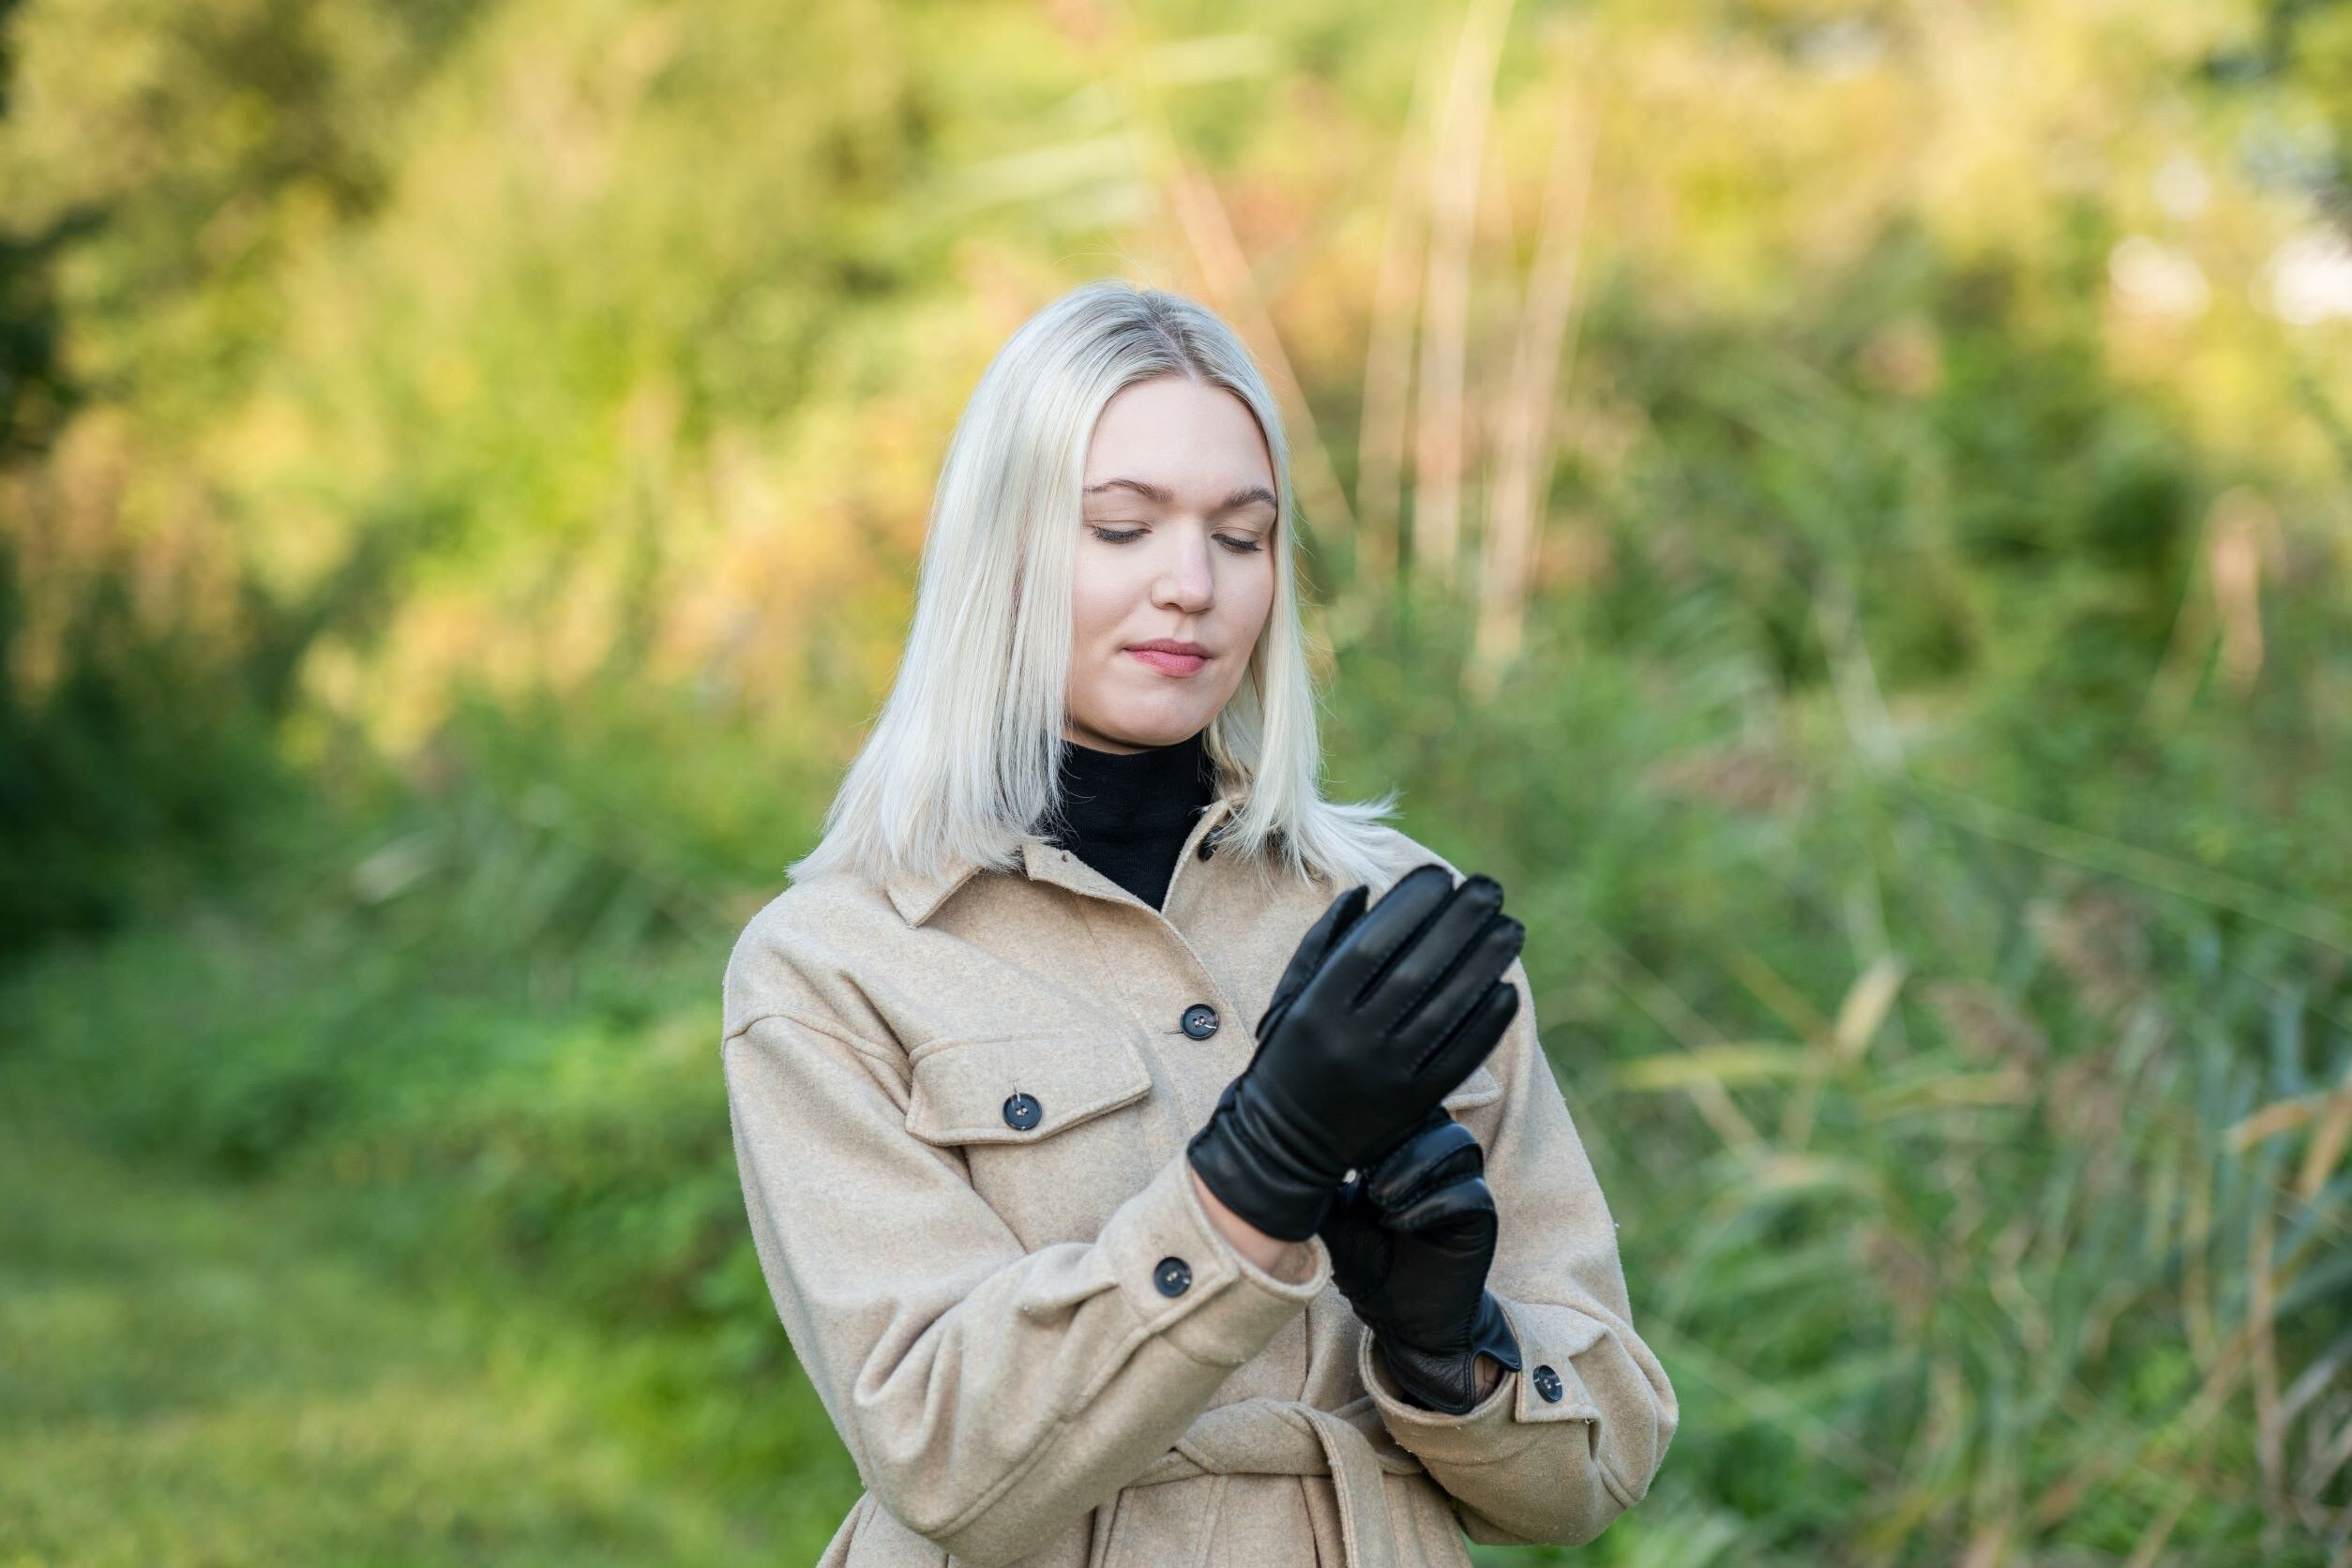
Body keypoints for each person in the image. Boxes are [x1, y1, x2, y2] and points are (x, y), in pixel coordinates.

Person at [720, 279, 1676, 1567]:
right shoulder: (836, 964)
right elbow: (943, 1461)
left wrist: (1454, 1350)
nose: (1191, 586)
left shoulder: (1387, 919)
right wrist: (1253, 1180)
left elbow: (1597, 1469)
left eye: (1242, 535)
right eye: (1120, 527)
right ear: (998, 546)